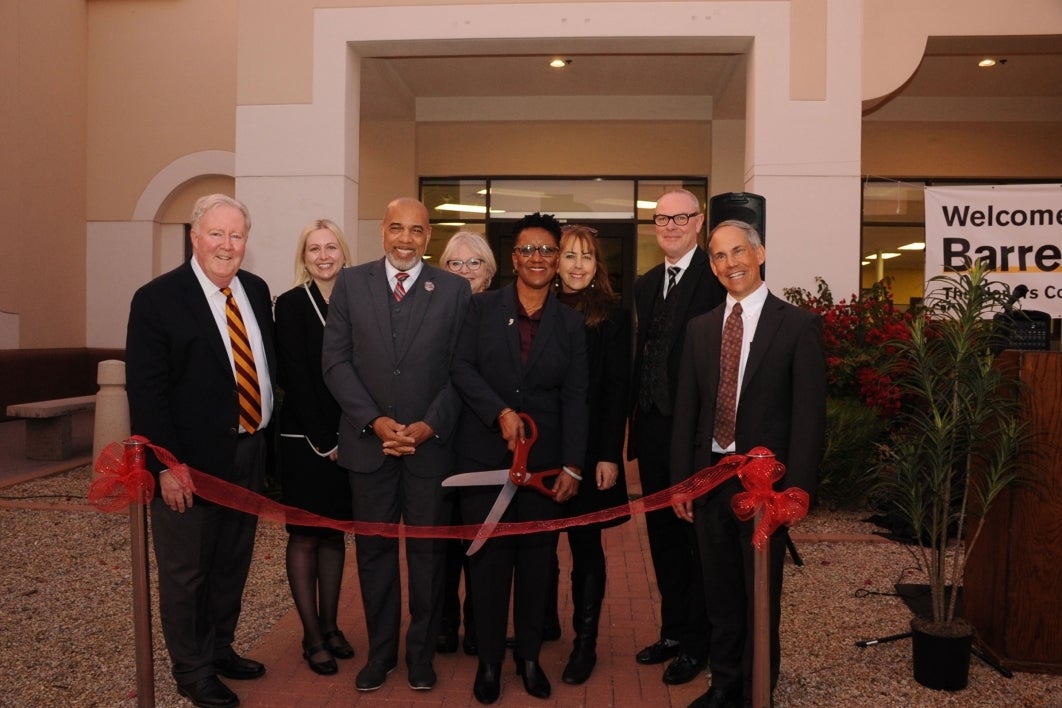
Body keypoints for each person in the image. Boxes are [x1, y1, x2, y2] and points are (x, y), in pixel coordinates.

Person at [126, 194, 274, 708]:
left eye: (236, 236)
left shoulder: (255, 290)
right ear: (194, 236)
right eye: (217, 234)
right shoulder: (157, 299)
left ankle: (219, 649)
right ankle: (192, 671)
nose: (227, 245)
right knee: (187, 570)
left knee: (232, 561)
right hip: (187, 463)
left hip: (249, 453)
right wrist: (166, 466)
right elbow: (148, 394)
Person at [671, 220, 826, 708]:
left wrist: (797, 492)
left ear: (760, 253)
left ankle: (759, 690)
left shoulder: (797, 326)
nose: (729, 262)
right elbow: (686, 414)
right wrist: (683, 484)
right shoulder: (699, 329)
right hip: (712, 482)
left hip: (766, 492)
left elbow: (809, 419)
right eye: (718, 256)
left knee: (761, 596)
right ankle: (724, 683)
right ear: (712, 266)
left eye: (738, 251)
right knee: (719, 595)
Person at [321, 197, 471, 693]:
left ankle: (420, 654)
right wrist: (375, 422)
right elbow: (336, 363)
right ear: (382, 232)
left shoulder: (453, 290)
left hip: (430, 449)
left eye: (417, 231)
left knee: (428, 558)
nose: (406, 240)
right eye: (397, 229)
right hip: (370, 447)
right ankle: (381, 654)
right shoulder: (350, 282)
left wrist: (430, 424)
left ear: (429, 237)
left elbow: (462, 370)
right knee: (374, 556)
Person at [450, 212, 588, 704]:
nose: (537, 258)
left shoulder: (570, 323)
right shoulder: (482, 309)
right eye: (527, 250)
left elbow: (576, 396)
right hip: (485, 457)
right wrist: (499, 412)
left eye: (546, 251)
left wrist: (573, 465)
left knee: (536, 563)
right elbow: (461, 367)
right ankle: (488, 662)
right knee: (487, 564)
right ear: (513, 258)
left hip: (544, 468)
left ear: (556, 261)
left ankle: (528, 658)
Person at [628, 188, 724, 686]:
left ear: (698, 221)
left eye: (680, 217)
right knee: (662, 538)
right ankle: (673, 630)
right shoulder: (646, 285)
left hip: (694, 437)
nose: (669, 225)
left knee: (694, 540)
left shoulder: (716, 279)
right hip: (651, 429)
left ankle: (698, 643)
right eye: (661, 218)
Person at [274, 219, 355, 676]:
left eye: (330, 247)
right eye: (313, 249)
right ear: (304, 257)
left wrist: (351, 436)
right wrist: (327, 442)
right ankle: (310, 634)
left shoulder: (357, 300)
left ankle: (331, 624)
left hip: (349, 436)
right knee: (305, 535)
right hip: (307, 439)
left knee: (335, 532)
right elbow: (297, 379)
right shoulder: (289, 305)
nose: (323, 256)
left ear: (343, 251)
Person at [552, 224, 631, 685]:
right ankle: (543, 625)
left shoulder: (613, 316)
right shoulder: (535, 306)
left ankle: (585, 645)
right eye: (569, 256)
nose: (578, 265)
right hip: (544, 449)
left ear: (596, 264)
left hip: (590, 449)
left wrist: (608, 454)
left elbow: (616, 389)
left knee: (586, 547)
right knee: (538, 544)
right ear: (556, 262)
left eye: (586, 257)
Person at [436, 230, 497, 657]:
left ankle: (480, 623)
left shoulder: (501, 315)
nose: (463, 271)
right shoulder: (430, 313)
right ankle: (443, 625)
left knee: (482, 542)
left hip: (484, 443)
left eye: (473, 263)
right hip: (437, 443)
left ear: (489, 273)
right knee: (440, 543)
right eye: (454, 264)